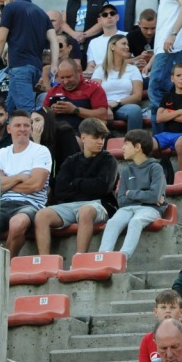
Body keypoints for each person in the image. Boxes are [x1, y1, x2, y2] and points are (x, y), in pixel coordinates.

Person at [32, 117, 117, 256]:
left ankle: (79, 258)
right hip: (70, 205)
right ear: (83, 138)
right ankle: (45, 260)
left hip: (99, 204)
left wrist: (76, 183)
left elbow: (103, 188)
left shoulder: (109, 160)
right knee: (42, 215)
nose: (100, 141)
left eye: (102, 138)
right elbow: (60, 190)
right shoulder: (71, 160)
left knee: (85, 211)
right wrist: (88, 185)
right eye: (96, 137)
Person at [97, 129, 168, 258]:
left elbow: (154, 197)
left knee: (136, 221)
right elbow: (121, 201)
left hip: (150, 208)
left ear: (137, 147)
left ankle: (123, 257)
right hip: (128, 208)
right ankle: (103, 258)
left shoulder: (155, 168)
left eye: (126, 144)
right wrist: (145, 196)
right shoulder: (126, 171)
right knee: (112, 222)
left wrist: (131, 193)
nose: (122, 148)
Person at [139, 0, 182, 125]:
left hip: (171, 50)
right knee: (166, 93)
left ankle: (163, 133)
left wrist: (173, 34)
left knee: (156, 90)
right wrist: (153, 60)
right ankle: (169, 131)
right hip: (166, 51)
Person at [0, 108, 52, 256]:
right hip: (2, 204)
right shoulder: (0, 154)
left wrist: (5, 183)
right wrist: (20, 177)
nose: (22, 129)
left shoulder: (41, 151)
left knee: (17, 224)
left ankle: (7, 265)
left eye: (26, 125)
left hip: (31, 205)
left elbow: (35, 185)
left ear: (31, 128)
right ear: (9, 129)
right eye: (17, 125)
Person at [0, 0, 56, 112]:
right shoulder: (41, 12)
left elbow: (1, 39)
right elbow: (54, 40)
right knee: (8, 109)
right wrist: (54, 64)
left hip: (20, 67)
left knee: (26, 111)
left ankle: (34, 126)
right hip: (35, 69)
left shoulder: (10, 7)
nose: (4, 4)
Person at [43, 59, 111, 133]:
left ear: (79, 72)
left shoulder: (93, 88)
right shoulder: (53, 91)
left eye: (68, 77)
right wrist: (51, 113)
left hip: (84, 133)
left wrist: (76, 110)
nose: (65, 81)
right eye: (62, 78)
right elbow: (41, 114)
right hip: (56, 132)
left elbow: (103, 115)